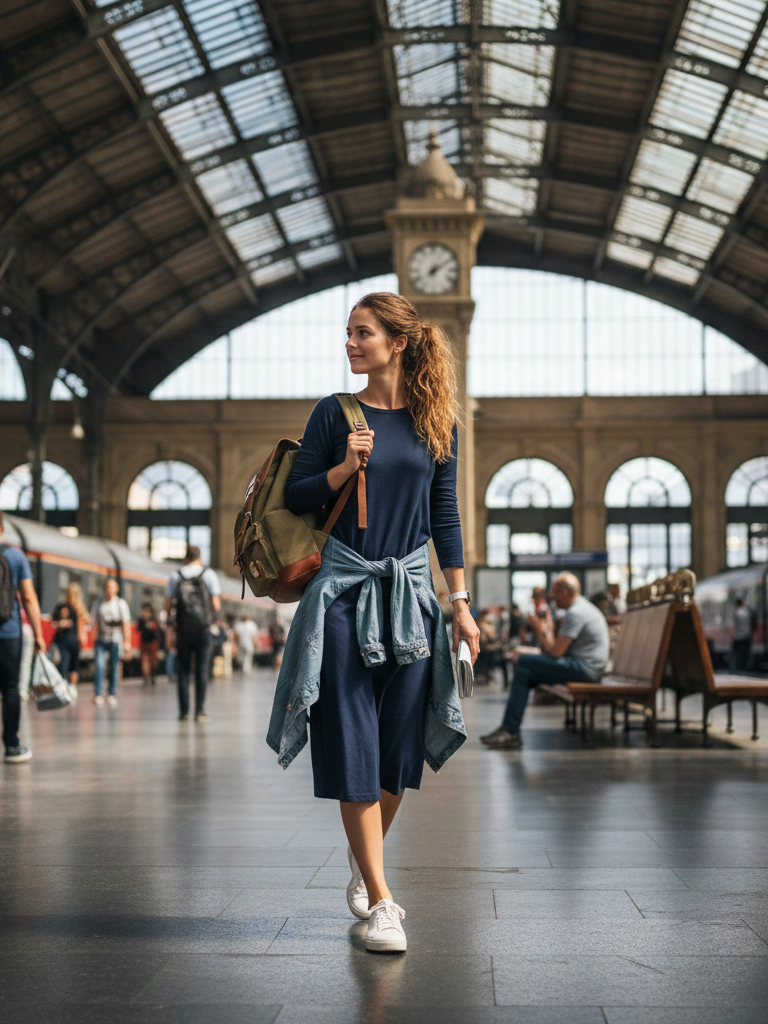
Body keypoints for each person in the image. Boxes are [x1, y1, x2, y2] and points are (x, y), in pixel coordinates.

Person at [269, 291, 479, 954]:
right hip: (342, 593)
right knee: (353, 736)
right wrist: (342, 466)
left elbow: (444, 518)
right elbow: (298, 494)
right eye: (349, 334)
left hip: (412, 598)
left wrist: (462, 605)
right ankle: (384, 901)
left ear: (397, 341)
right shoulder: (336, 413)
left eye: (363, 333)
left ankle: (365, 866)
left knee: (395, 749)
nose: (351, 343)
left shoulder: (435, 422)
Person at [481, 572, 609, 750]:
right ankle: (510, 729)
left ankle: (510, 730)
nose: (552, 598)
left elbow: (555, 652)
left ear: (563, 592)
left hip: (586, 669)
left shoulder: (576, 612)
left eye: (554, 593)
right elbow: (554, 650)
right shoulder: (580, 608)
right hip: (585, 666)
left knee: (525, 663)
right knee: (525, 671)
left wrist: (539, 630)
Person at [0, 511, 45, 762]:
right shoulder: (15, 555)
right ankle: (12, 746)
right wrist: (38, 634)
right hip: (8, 632)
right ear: (2, 528)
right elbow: (28, 597)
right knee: (10, 689)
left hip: (9, 632)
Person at [166, 545, 221, 722]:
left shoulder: (176, 575)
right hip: (203, 630)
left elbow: (168, 604)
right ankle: (200, 711)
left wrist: (170, 626)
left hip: (182, 629)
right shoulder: (209, 574)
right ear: (200, 558)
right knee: (201, 669)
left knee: (182, 670)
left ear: (185, 559)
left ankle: (183, 712)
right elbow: (216, 604)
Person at [91, 578, 132, 707]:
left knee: (114, 667)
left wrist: (127, 642)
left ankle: (112, 693)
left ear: (116, 590)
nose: (109, 591)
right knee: (100, 665)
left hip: (115, 640)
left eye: (112, 588)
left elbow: (126, 624)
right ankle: (98, 693)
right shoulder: (98, 603)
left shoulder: (120, 604)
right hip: (101, 639)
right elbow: (93, 621)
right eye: (107, 588)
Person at [51, 583, 89, 700]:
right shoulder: (61, 607)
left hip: (74, 640)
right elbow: (53, 622)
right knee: (64, 662)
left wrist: (82, 633)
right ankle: (64, 685)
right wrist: (60, 624)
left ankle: (71, 687)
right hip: (62, 639)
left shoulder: (79, 609)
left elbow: (84, 622)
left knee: (73, 663)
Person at [138, 603, 162, 686]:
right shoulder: (141, 621)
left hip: (153, 643)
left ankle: (153, 676)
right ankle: (145, 677)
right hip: (144, 642)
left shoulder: (154, 620)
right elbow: (139, 629)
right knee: (144, 660)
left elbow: (157, 632)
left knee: (153, 661)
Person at [730, 597, 754, 671]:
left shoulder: (736, 612)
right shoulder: (748, 612)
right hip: (747, 635)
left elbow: (736, 625)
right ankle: (745, 667)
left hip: (738, 636)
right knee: (746, 653)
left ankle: (736, 667)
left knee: (736, 653)